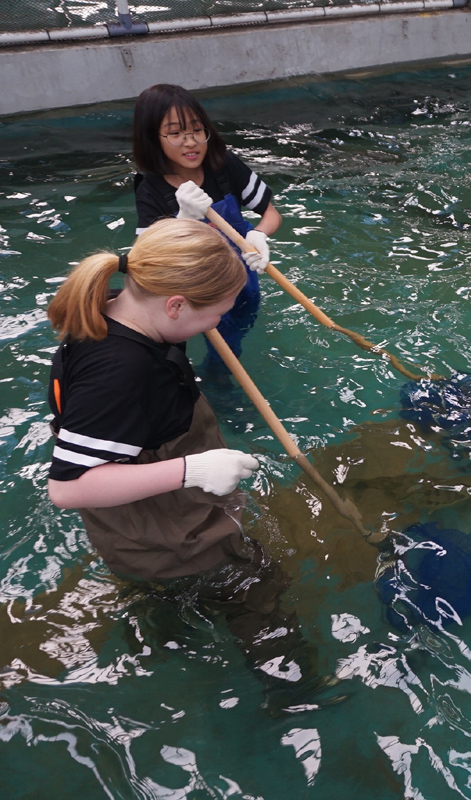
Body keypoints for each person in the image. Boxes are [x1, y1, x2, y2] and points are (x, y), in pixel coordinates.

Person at [45, 218, 324, 711]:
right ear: (175, 304)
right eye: (213, 314)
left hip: (143, 520)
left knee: (166, 588)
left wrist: (196, 227)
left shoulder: (128, 308)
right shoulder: (119, 371)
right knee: (251, 585)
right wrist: (190, 472)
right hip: (163, 522)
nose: (215, 325)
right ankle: (296, 696)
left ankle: (158, 620)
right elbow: (68, 488)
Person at [132, 83, 283, 358]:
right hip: (193, 293)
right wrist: (184, 219)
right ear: (152, 138)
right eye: (176, 133)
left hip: (240, 276)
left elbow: (271, 213)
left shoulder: (223, 165)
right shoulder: (151, 189)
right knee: (218, 353)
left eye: (197, 130)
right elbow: (147, 260)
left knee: (241, 327)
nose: (190, 142)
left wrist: (258, 235)